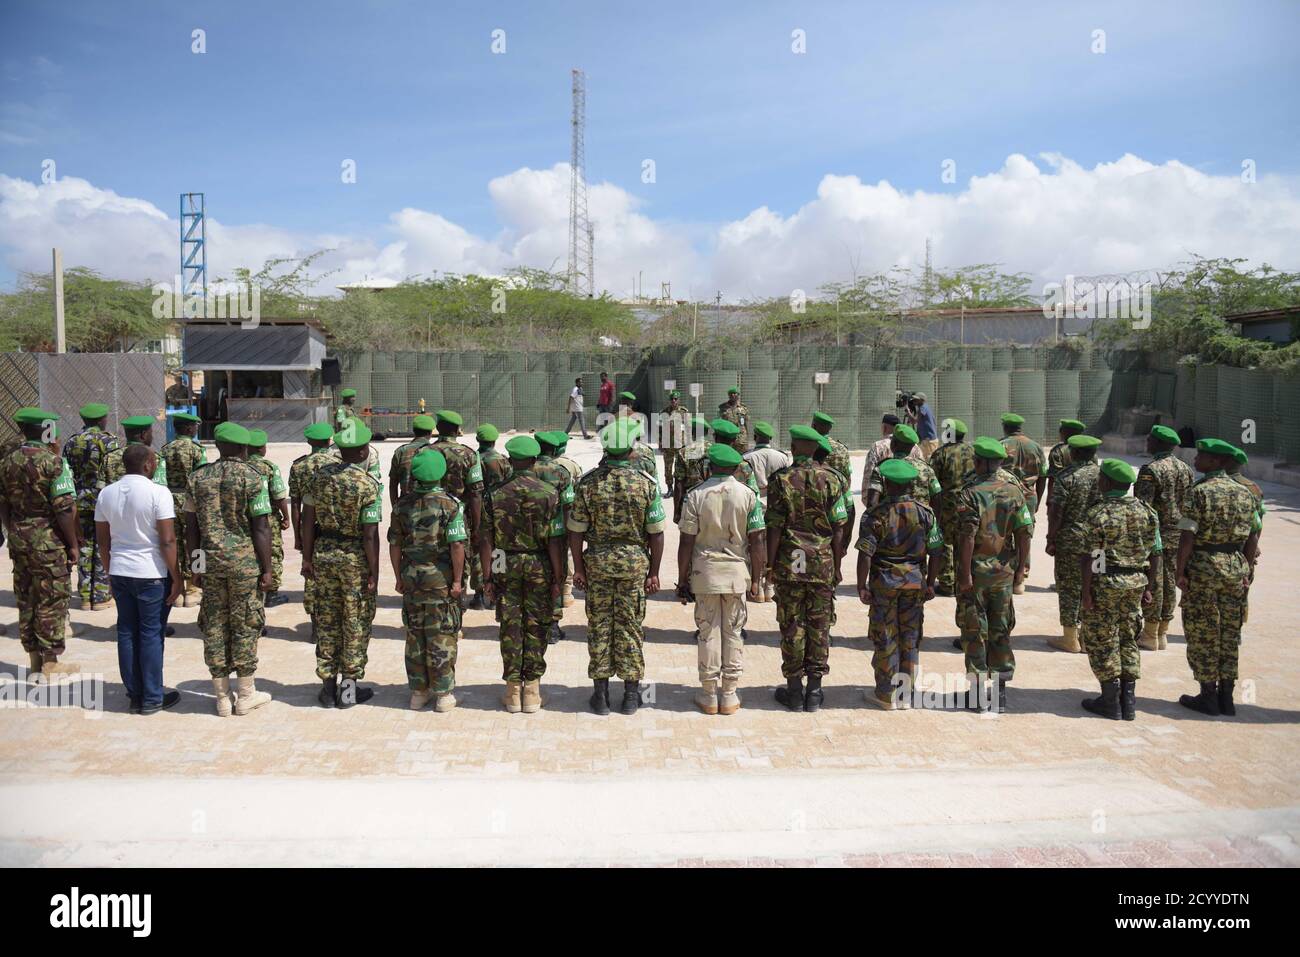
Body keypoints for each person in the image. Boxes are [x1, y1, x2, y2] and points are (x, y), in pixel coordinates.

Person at [568, 420, 666, 715]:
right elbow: (656, 533)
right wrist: (654, 572)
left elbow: (576, 531)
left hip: (597, 563)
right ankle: (632, 696)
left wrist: (579, 568)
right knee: (630, 627)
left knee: (598, 626)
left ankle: (600, 697)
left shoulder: (587, 484)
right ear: (630, 449)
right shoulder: (646, 484)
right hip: (634, 564)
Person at [185, 422, 274, 716]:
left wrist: (195, 565)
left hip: (209, 564)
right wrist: (267, 569)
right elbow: (261, 527)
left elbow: (191, 527)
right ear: (243, 448)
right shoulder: (254, 477)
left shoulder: (197, 478)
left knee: (214, 625)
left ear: (219, 447)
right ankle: (246, 694)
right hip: (244, 564)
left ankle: (222, 697)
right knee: (246, 623)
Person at [1175, 438, 1261, 717]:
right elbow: (1252, 536)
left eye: (1203, 456)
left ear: (1217, 462)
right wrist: (1246, 569)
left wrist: (1180, 570)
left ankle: (1208, 696)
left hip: (1204, 566)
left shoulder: (1199, 492)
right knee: (1229, 632)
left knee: (1202, 631)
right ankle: (1227, 697)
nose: (1196, 459)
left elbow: (1188, 535)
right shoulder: (1245, 493)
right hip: (1234, 567)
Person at [677, 442, 765, 715]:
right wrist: (757, 580)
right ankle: (729, 693)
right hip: (737, 574)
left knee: (708, 632)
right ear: (736, 467)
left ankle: (708, 693)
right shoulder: (748, 495)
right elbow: (758, 539)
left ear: (709, 466)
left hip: (705, 574)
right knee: (733, 631)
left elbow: (686, 542)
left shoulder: (695, 496)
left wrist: (682, 580)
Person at [94, 444, 183, 713]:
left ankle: (135, 695)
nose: (156, 465)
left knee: (126, 632)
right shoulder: (158, 492)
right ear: (146, 464)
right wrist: (177, 577)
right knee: (151, 634)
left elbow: (102, 542)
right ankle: (153, 697)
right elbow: (167, 540)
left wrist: (110, 572)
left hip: (121, 570)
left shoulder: (106, 494)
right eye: (154, 461)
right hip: (151, 574)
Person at [480, 435, 565, 713]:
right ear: (532, 460)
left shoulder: (494, 494)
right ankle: (532, 689)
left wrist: (488, 577)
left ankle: (512, 690)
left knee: (510, 624)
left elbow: (487, 540)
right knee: (537, 623)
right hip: (539, 561)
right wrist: (557, 577)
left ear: (510, 461)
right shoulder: (549, 493)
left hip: (504, 559)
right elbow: (555, 540)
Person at [767, 425, 848, 713]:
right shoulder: (833, 480)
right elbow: (839, 528)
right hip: (821, 564)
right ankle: (814, 692)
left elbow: (774, 526)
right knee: (819, 626)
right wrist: (837, 564)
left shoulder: (781, 480)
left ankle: (793, 692)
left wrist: (770, 563)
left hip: (790, 563)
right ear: (815, 449)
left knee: (792, 625)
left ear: (795, 447)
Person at [302, 419, 382, 708]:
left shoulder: (318, 478)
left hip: (323, 553)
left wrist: (307, 557)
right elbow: (370, 534)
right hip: (354, 559)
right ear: (362, 453)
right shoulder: (368, 484)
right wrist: (374, 572)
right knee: (354, 621)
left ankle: (327, 688)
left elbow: (307, 522)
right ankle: (348, 690)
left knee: (327, 620)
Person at [1078, 459, 1162, 721]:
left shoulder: (1098, 513)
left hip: (1107, 582)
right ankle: (1128, 700)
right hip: (1135, 582)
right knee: (1128, 637)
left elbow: (1093, 556)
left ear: (1106, 482)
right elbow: (1156, 552)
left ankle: (1109, 700)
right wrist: (1149, 583)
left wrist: (1087, 591)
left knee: (1102, 639)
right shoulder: (1147, 512)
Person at [856, 458, 942, 709]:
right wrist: (930, 583)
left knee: (885, 636)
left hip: (884, 583)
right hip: (915, 583)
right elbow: (936, 551)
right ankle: (906, 693)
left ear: (885, 483)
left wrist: (862, 586)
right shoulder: (926, 513)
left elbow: (865, 554)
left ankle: (885, 693)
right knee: (910, 636)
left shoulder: (875, 514)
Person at [955, 437, 1032, 712]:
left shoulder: (970, 493)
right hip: (1003, 574)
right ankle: (999, 696)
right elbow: (1025, 532)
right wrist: (1021, 569)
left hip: (976, 573)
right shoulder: (1014, 491)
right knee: (1001, 630)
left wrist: (963, 577)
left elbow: (967, 538)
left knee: (975, 630)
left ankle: (976, 695)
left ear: (983, 462)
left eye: (976, 460)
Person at [0, 408, 78, 680]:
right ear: (46, 429)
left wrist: (13, 530)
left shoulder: (6, 462)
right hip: (49, 542)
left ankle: (33, 659)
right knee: (52, 598)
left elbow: (4, 505)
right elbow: (64, 510)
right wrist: (73, 545)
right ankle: (50, 662)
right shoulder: (53, 463)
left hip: (20, 539)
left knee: (27, 596)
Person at [390, 448, 466, 712]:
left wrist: (398, 576)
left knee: (414, 635)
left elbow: (395, 545)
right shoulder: (451, 505)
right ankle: (443, 694)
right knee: (441, 635)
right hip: (440, 580)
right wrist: (457, 581)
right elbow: (457, 546)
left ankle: (418, 692)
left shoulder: (401, 505)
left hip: (412, 578)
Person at [1134, 424, 1194, 651]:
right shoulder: (1185, 469)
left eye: (1150, 439)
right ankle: (1162, 632)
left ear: (1158, 443)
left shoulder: (1151, 470)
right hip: (1179, 535)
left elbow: (1143, 507)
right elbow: (1189, 507)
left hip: (1157, 534)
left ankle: (1150, 634)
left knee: (1153, 581)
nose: (1147, 442)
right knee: (1170, 582)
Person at [1044, 434, 1102, 653]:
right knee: (1093, 583)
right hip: (1098, 541)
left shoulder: (1066, 477)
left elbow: (1056, 512)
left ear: (1074, 453)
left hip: (1071, 540)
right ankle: (1087, 636)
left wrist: (1051, 538)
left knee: (1069, 586)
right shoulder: (1103, 476)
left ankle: (1070, 638)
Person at [61, 402, 121, 608]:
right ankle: (101, 595)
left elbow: (65, 471)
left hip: (79, 498)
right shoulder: (110, 441)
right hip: (103, 497)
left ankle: (85, 595)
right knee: (104, 543)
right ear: (102, 420)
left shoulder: (71, 442)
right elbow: (115, 469)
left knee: (83, 543)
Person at [430, 410, 484, 607]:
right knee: (460, 562)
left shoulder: (426, 452)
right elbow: (476, 493)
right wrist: (477, 527)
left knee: (433, 561)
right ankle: (457, 609)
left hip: (430, 516)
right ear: (457, 430)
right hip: (460, 517)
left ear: (438, 428)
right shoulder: (469, 454)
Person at [289, 422, 336, 634]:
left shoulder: (299, 466)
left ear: (309, 442)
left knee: (311, 573)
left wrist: (297, 535)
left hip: (309, 529)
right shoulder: (339, 463)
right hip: (333, 527)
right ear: (329, 441)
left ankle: (316, 625)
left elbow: (296, 504)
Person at [158, 411, 205, 606]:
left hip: (169, 498)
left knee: (173, 542)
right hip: (190, 500)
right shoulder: (196, 450)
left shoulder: (165, 449)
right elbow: (201, 478)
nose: (196, 429)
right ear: (188, 428)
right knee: (196, 541)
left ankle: (176, 589)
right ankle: (194, 587)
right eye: (194, 426)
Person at [534, 431, 577, 642]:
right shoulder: (560, 472)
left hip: (528, 534)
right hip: (555, 533)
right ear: (553, 450)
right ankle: (553, 625)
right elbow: (569, 505)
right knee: (556, 576)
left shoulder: (525, 469)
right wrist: (569, 536)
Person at [467, 422, 512, 609]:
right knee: (498, 549)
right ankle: (496, 593)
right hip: (499, 509)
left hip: (476, 509)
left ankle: (478, 594)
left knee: (477, 550)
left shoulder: (472, 460)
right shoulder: (502, 461)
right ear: (494, 441)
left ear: (478, 440)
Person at [927, 418, 973, 597]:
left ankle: (947, 583)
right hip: (970, 503)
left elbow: (932, 483)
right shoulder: (973, 452)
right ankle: (964, 579)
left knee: (945, 542)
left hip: (947, 505)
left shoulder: (941, 454)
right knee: (966, 540)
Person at [247, 430, 291, 609]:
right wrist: (286, 517)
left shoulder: (244, 467)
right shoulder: (269, 468)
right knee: (272, 553)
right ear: (262, 448)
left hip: (247, 518)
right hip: (268, 519)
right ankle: (271, 593)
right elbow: (279, 496)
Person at [864, 424, 940, 512]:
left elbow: (872, 502)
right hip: (922, 522)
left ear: (894, 444)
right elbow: (937, 498)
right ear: (911, 447)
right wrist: (934, 523)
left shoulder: (882, 468)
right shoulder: (926, 469)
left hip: (890, 523)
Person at [102, 415, 167, 487]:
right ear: (144, 434)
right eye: (151, 433)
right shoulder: (154, 458)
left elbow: (101, 487)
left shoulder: (109, 457)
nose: (152, 437)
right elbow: (161, 488)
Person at [388, 414, 434, 506]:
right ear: (430, 433)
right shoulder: (436, 451)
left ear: (414, 431)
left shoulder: (401, 452)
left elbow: (393, 483)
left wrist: (395, 507)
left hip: (406, 506)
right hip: (432, 505)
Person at [673, 416, 712, 523]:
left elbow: (678, 483)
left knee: (688, 536)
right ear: (707, 431)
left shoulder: (683, 452)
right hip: (712, 499)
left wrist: (676, 511)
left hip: (691, 501)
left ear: (692, 432)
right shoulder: (715, 450)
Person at [1045, 419, 1086, 508]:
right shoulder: (1089, 450)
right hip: (1083, 497)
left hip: (1062, 497)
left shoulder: (1057, 451)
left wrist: (1049, 498)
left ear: (1063, 432)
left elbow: (1053, 478)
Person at [658, 390, 690, 497]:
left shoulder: (683, 412)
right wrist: (660, 443)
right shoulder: (664, 412)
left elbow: (688, 428)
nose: (673, 401)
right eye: (672, 399)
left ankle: (681, 488)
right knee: (668, 468)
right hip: (667, 445)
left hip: (680, 444)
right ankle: (670, 489)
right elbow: (660, 429)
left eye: (675, 399)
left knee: (681, 467)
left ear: (679, 400)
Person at [718, 387, 750, 452]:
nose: (733, 395)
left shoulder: (744, 408)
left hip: (741, 439)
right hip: (728, 438)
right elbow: (719, 422)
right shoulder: (722, 408)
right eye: (731, 393)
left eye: (734, 393)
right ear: (728, 395)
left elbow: (746, 423)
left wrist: (747, 437)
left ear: (738, 394)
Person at [910, 392, 939, 459]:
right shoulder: (925, 407)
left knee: (927, 459)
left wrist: (908, 411)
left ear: (922, 400)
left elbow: (914, 421)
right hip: (929, 439)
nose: (914, 401)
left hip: (929, 440)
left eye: (916, 399)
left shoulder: (922, 408)